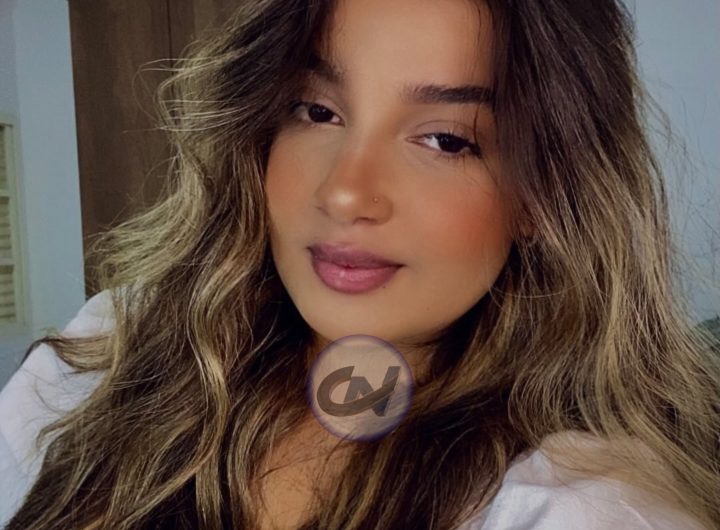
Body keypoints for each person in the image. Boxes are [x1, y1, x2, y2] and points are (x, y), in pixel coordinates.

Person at [1, 0, 718, 528]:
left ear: (543, 196)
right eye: (317, 112)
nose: (345, 192)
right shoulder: (103, 355)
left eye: (445, 140)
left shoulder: (580, 508)